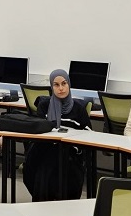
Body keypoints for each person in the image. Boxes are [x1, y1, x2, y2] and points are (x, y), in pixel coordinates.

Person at [23, 68, 91, 201]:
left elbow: (88, 136)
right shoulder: (44, 106)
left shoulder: (78, 109)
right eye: (56, 85)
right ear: (51, 87)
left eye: (64, 83)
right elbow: (39, 130)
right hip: (46, 150)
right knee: (47, 162)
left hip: (69, 154)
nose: (61, 88)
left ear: (69, 84)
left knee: (54, 164)